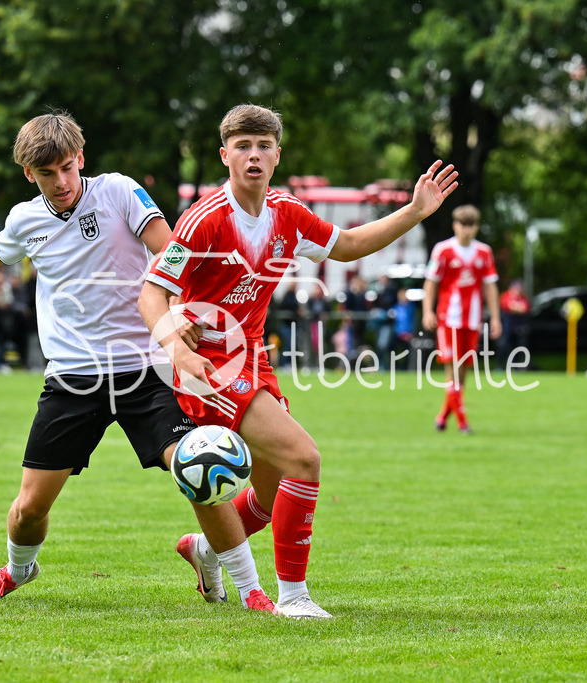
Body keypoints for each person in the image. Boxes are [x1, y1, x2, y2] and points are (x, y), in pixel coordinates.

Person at [0, 111, 274, 612]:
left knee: (199, 465)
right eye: (46, 174)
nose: (60, 182)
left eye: (66, 167)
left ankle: (252, 591)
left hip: (147, 369)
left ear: (81, 158)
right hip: (74, 379)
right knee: (28, 509)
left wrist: (180, 308)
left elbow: (169, 248)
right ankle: (17, 571)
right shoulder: (25, 219)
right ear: (29, 175)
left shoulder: (119, 191)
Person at [138, 103, 459, 618]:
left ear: (277, 154)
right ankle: (294, 597)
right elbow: (152, 294)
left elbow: (350, 245)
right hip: (209, 368)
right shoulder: (203, 219)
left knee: (268, 495)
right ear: (225, 156)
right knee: (304, 459)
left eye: (264, 146)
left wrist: (416, 212)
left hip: (254, 362)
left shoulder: (288, 213)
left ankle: (205, 549)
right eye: (242, 146)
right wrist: (176, 344)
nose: (254, 155)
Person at [421, 204, 501, 433]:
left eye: (471, 225)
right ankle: (463, 422)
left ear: (476, 227)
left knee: (463, 371)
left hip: (472, 320)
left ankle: (443, 416)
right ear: (455, 225)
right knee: (452, 370)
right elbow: (431, 282)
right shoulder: (443, 250)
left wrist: (495, 318)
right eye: (462, 225)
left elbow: (490, 286)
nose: (466, 230)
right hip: (449, 319)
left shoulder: (484, 252)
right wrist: (428, 311)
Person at [497, 278, 530, 367]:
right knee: (504, 345)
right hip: (507, 326)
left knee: (517, 347)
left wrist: (514, 307)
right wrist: (517, 307)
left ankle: (514, 366)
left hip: (518, 326)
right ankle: (499, 366)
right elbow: (507, 306)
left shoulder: (523, 298)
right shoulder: (506, 296)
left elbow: (525, 308)